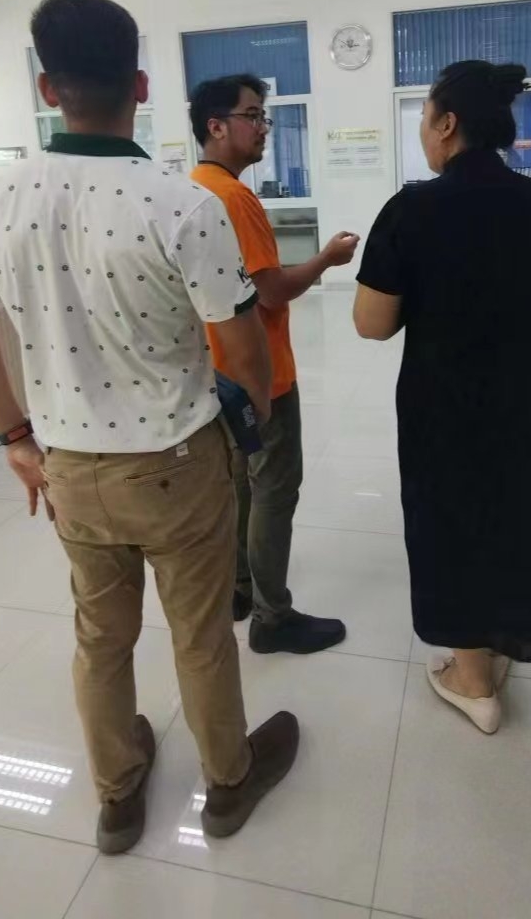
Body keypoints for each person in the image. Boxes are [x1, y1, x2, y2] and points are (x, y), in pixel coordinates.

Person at [0, 0, 299, 854]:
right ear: (139, 84)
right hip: (177, 463)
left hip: (69, 466)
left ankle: (117, 796)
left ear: (46, 88)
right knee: (200, 635)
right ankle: (227, 783)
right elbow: (240, 346)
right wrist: (251, 414)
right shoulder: (181, 202)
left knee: (100, 638)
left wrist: (16, 440)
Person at [353, 61, 531, 734]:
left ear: (447, 123)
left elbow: (372, 323)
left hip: (444, 397)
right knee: (517, 514)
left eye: (425, 119)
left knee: (448, 520)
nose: (424, 132)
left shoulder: (410, 209)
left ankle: (473, 678)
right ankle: (503, 638)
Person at [190, 75, 358, 654]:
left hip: (217, 369)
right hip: (262, 376)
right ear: (216, 126)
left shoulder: (194, 189)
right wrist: (328, 258)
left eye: (264, 116)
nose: (264, 127)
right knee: (274, 489)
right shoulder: (236, 198)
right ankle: (273, 617)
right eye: (253, 115)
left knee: (241, 483)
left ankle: (238, 590)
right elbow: (273, 292)